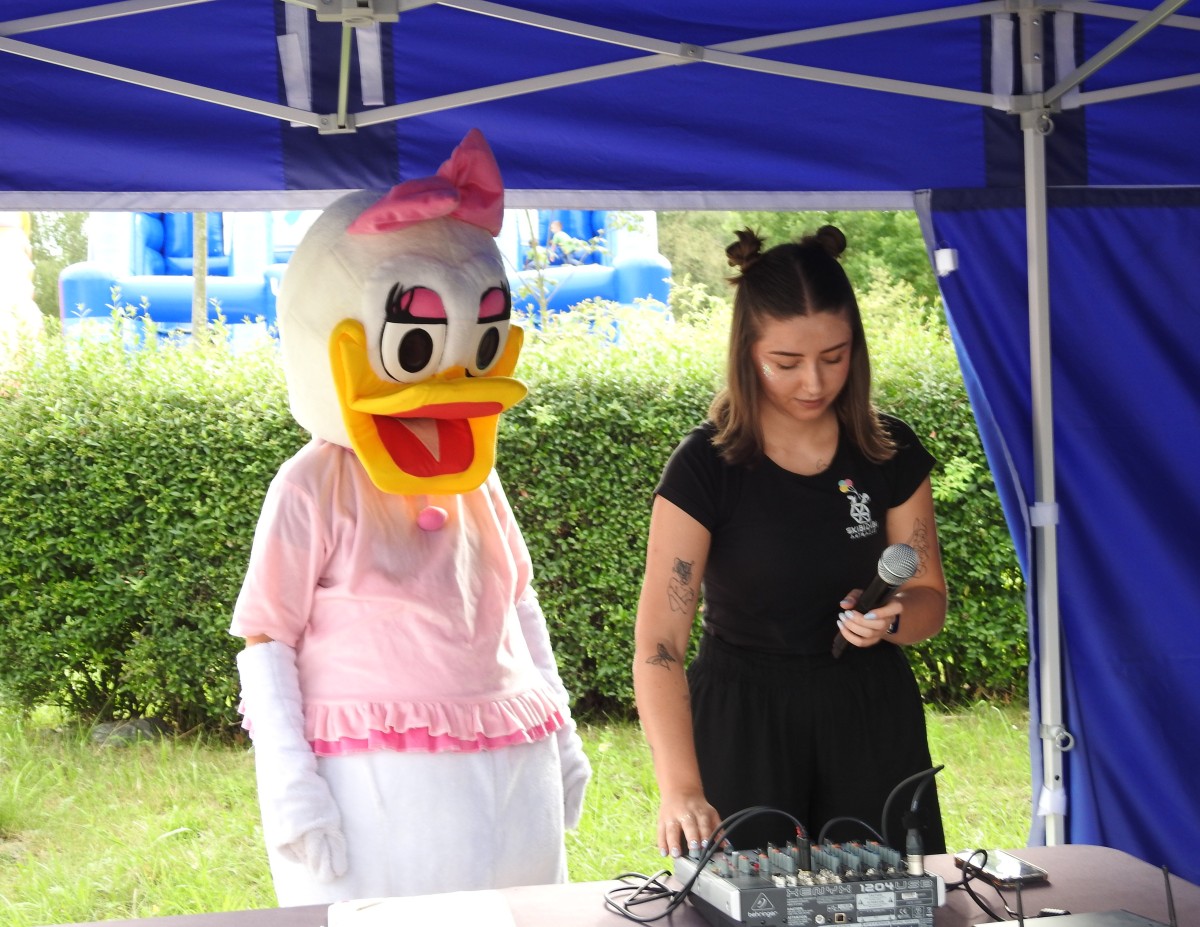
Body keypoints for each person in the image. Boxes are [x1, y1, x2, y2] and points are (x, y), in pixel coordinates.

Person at [229, 129, 590, 906]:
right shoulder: (312, 483)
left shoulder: (474, 478)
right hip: (375, 776)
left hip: (511, 757)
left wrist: (561, 732)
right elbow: (267, 638)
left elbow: (517, 603)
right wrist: (292, 787)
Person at [632, 226, 947, 860]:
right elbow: (659, 644)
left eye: (834, 357)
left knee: (890, 899)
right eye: (785, 363)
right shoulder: (705, 467)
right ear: (746, 352)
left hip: (870, 716)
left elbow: (928, 600)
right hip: (742, 719)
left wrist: (891, 619)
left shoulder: (890, 451)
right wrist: (682, 789)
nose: (813, 383)